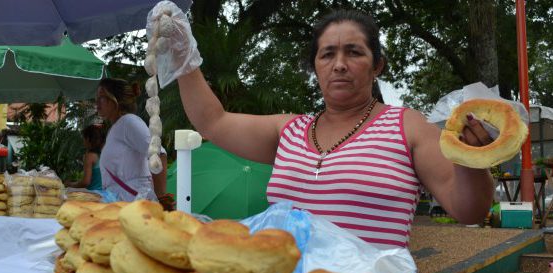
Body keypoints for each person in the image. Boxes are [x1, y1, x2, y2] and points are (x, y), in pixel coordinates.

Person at [163, 7, 494, 248]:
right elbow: (213, 121)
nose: (339, 65)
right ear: (315, 66)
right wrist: (183, 57)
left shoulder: (407, 126)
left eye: (354, 53)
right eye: (327, 54)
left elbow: (469, 210)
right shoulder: (288, 131)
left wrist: (472, 161)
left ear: (377, 65)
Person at [96, 78, 167, 202]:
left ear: (115, 99)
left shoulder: (128, 122)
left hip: (134, 202)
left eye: (101, 97)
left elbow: (158, 153)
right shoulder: (118, 127)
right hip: (123, 202)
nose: (97, 103)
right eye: (96, 98)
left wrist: (161, 197)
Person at [65, 124, 104, 190]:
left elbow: (86, 182)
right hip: (105, 194)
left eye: (83, 138)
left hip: (93, 194)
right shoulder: (104, 153)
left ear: (88, 139)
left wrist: (70, 184)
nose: (83, 141)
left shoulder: (89, 156)